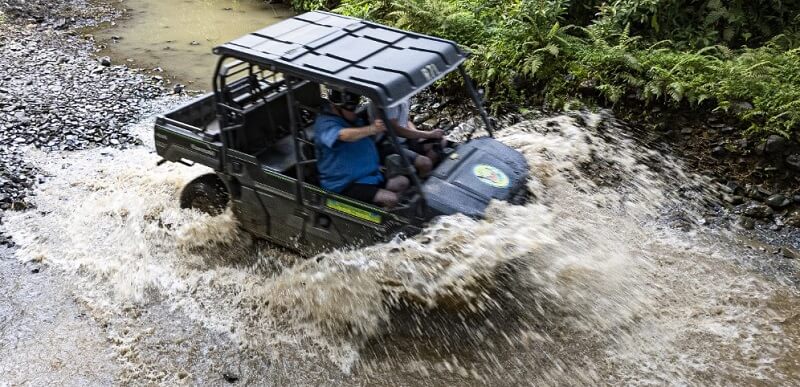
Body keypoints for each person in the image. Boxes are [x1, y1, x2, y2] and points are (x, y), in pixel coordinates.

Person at [314, 90, 409, 208]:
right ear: (336, 108)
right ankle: (383, 220)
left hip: (368, 176)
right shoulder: (325, 124)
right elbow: (343, 135)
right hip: (344, 184)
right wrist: (372, 129)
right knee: (391, 199)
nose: (355, 113)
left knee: (403, 182)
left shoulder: (352, 120)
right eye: (352, 109)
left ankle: (388, 208)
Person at [369, 99, 444, 176]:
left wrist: (416, 134)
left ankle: (419, 173)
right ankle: (419, 180)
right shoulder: (387, 101)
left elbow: (406, 120)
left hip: (405, 138)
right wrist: (427, 134)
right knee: (425, 163)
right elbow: (395, 130)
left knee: (441, 140)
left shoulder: (402, 96)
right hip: (387, 144)